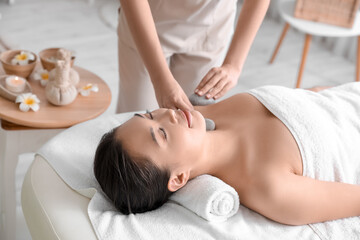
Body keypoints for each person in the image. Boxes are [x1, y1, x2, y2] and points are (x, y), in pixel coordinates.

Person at [94, 83, 360, 225]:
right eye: (161, 134)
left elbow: (308, 101)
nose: (167, 114)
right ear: (178, 178)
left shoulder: (204, 113)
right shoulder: (269, 187)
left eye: (150, 115)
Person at [117, 0, 270, 113]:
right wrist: (159, 79)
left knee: (192, 118)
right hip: (146, 22)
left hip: (211, 29)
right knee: (135, 118)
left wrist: (234, 64)